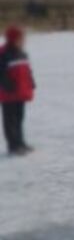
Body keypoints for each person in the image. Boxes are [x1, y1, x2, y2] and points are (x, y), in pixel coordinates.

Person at [0, 26, 35, 155]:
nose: (23, 41)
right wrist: (8, 85)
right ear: (13, 39)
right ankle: (13, 145)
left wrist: (31, 82)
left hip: (20, 93)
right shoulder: (4, 54)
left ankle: (20, 142)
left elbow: (27, 71)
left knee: (20, 118)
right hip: (9, 94)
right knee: (10, 120)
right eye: (21, 38)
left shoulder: (22, 53)